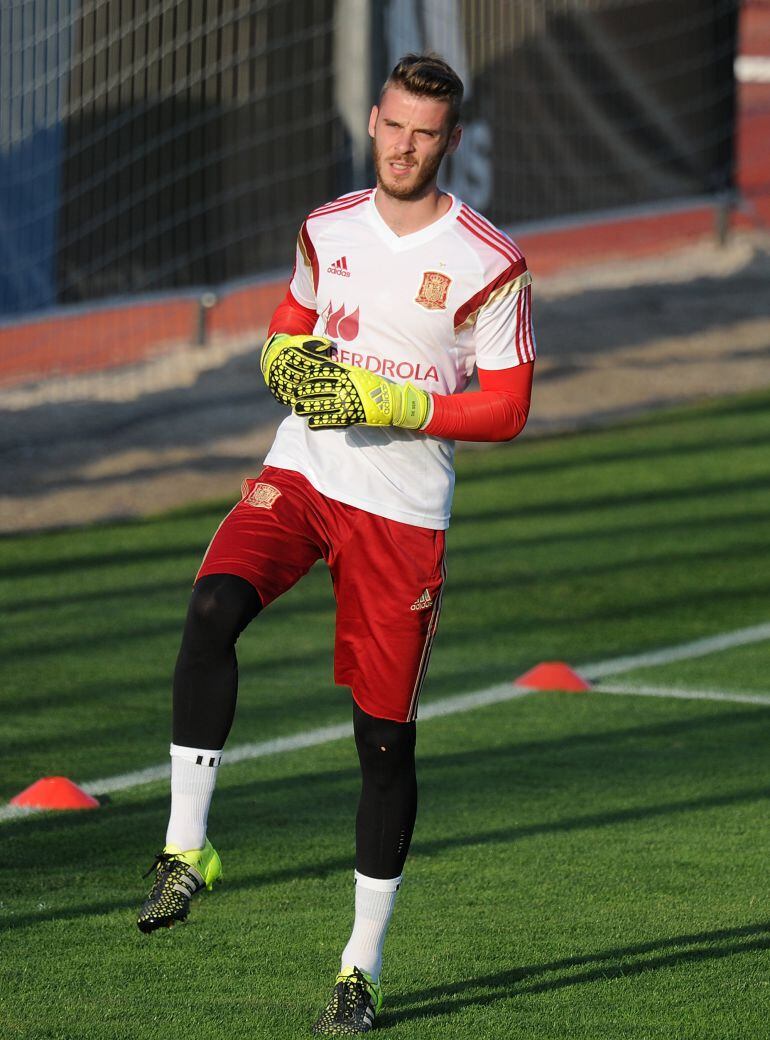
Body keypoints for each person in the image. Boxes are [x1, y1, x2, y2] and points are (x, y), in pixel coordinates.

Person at [137, 53, 536, 1035]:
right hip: (304, 474)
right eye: (392, 126)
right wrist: (279, 348)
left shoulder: (491, 261)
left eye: (425, 133)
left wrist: (392, 400)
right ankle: (187, 849)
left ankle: (360, 964)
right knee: (208, 609)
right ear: (371, 120)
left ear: (450, 142)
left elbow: (510, 406)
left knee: (382, 740)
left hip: (399, 513)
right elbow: (296, 311)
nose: (404, 146)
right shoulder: (327, 225)